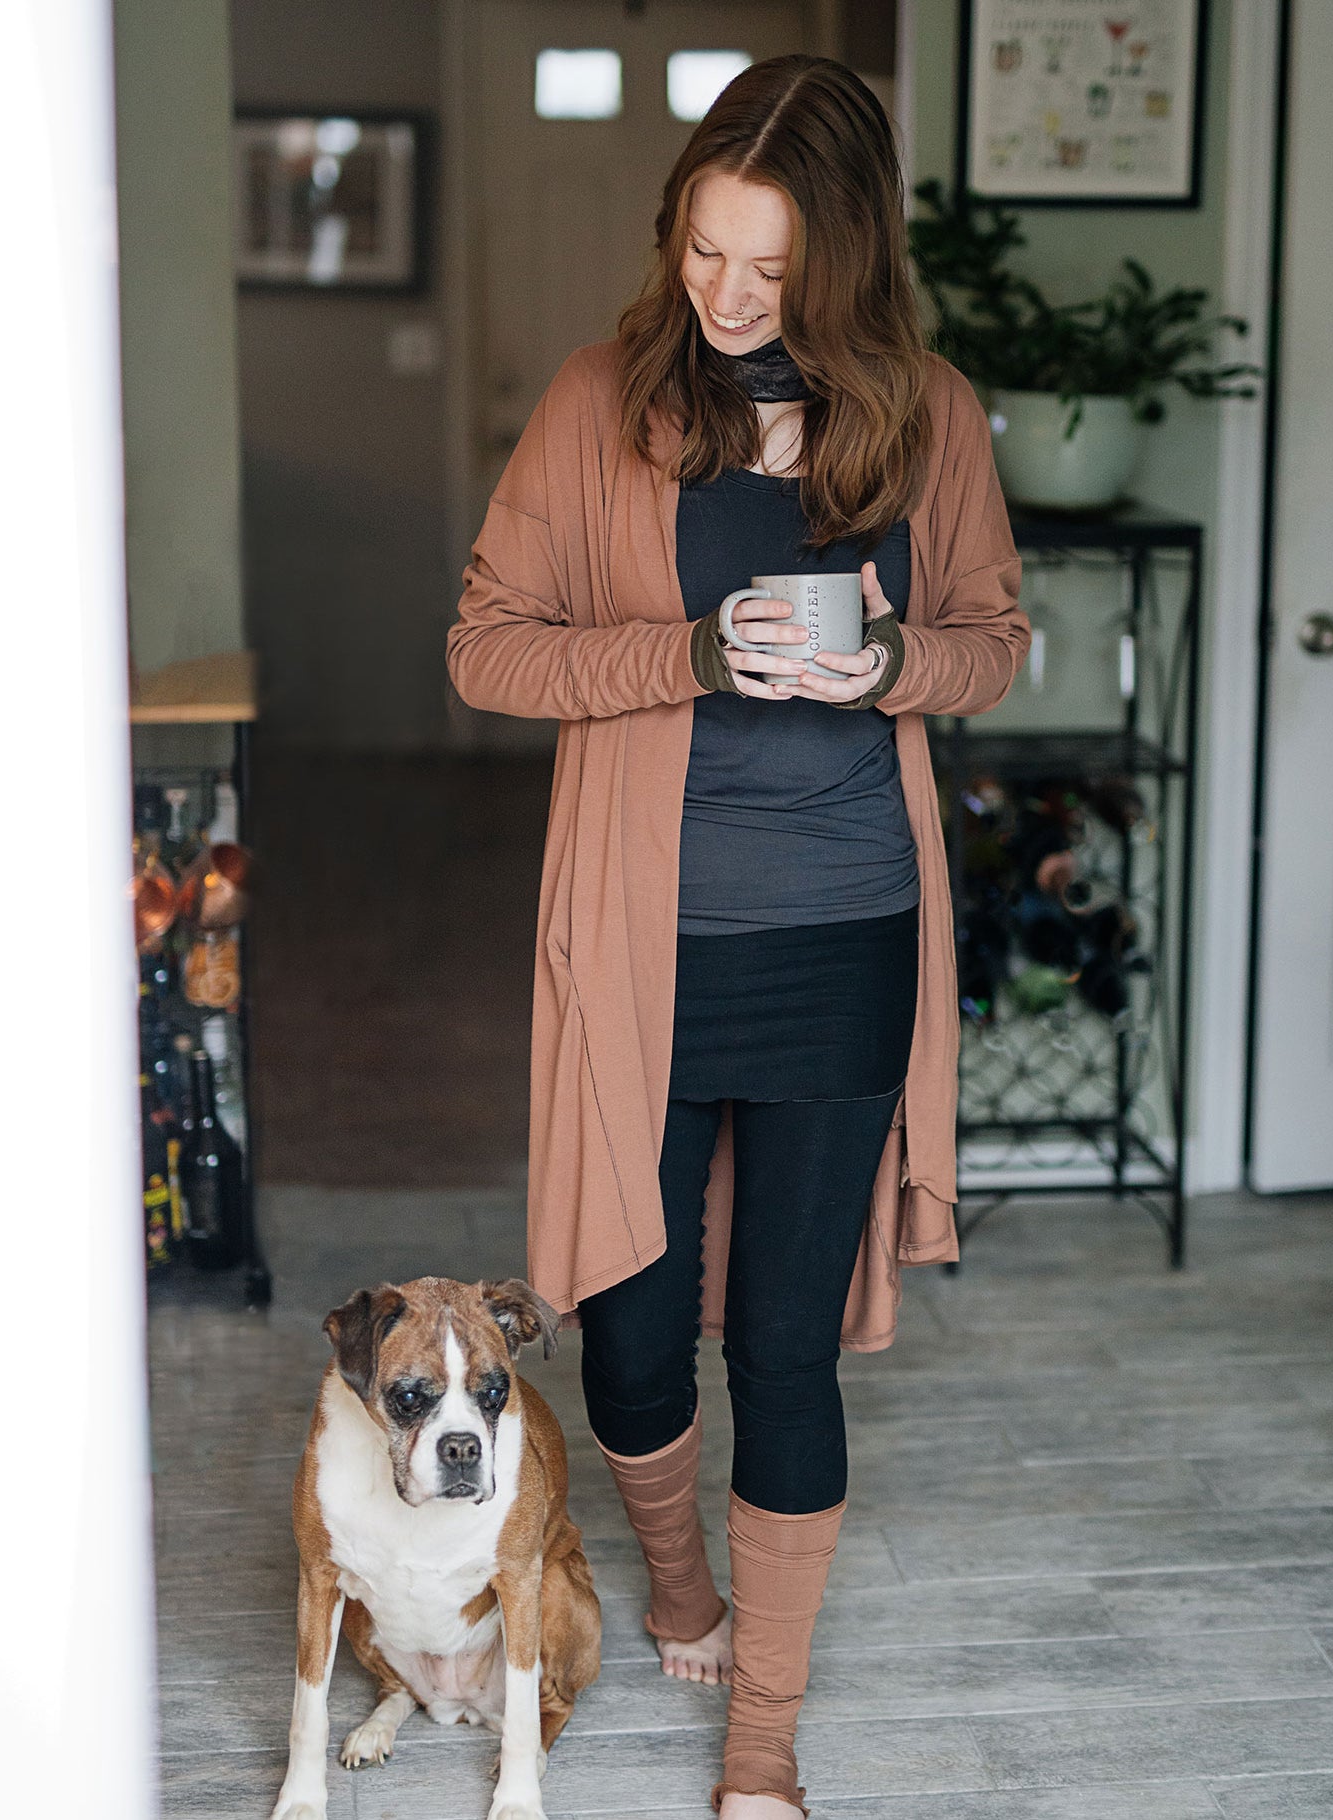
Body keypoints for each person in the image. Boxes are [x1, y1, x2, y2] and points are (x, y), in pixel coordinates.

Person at [447, 54, 1028, 1820]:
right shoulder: (598, 400)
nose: (725, 299)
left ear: (840, 265)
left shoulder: (924, 412)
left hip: (843, 931)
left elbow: (993, 639)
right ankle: (677, 1583)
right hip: (642, 947)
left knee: (777, 1343)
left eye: (768, 272)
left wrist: (888, 667)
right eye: (704, 255)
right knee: (629, 1335)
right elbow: (489, 646)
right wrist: (685, 657)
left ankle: (760, 1729)